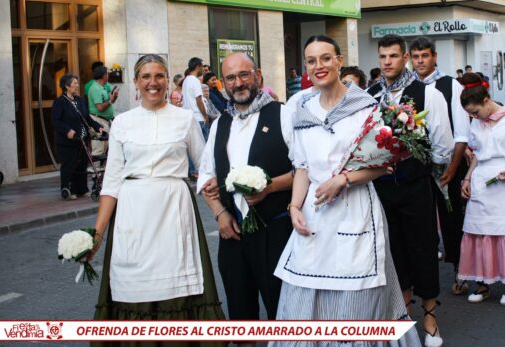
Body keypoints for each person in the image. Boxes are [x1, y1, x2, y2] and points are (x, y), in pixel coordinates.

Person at [272, 35, 422, 347]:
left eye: (326, 58)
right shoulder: (302, 110)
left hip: (355, 210)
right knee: (306, 294)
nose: (319, 66)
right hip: (314, 216)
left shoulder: (366, 107)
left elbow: (384, 165)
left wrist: (344, 179)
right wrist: (295, 207)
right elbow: (302, 167)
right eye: (311, 61)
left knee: (356, 295)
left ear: (340, 61)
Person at [88, 55, 226, 346]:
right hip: (132, 212)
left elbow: (205, 169)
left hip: (174, 210)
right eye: (146, 76)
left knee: (178, 283)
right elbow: (111, 181)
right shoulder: (122, 123)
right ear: (136, 83)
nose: (153, 82)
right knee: (133, 284)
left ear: (167, 80)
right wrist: (97, 234)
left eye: (159, 76)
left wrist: (220, 212)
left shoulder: (185, 118)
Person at [198, 53, 293, 338]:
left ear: (258, 75)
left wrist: (270, 187)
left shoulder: (282, 114)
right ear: (222, 83)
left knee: (283, 313)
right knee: (241, 318)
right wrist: (220, 213)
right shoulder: (220, 124)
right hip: (234, 235)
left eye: (244, 75)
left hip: (277, 232)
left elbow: (305, 169)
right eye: (230, 77)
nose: (238, 83)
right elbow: (205, 176)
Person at [368, 34, 453, 347]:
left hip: (415, 184)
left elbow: (442, 146)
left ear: (404, 57)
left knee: (423, 248)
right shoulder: (371, 94)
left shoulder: (427, 93)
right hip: (381, 186)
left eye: (393, 56)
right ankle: (402, 316)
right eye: (382, 57)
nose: (387, 62)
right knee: (391, 250)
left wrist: (413, 153)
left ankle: (430, 315)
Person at [458, 73, 505, 306]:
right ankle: (482, 283)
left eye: (475, 111)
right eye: (470, 114)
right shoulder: (477, 121)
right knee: (480, 233)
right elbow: (477, 155)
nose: (473, 117)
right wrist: (467, 178)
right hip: (483, 181)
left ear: (486, 100)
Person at [409, 36, 471, 296]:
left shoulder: (451, 85)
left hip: (448, 166)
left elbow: (461, 132)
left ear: (434, 57)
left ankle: (460, 270)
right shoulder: (409, 87)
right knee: (422, 223)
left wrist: (453, 169)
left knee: (452, 219)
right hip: (418, 168)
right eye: (416, 56)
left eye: (425, 56)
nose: (420, 61)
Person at [52, 74, 104, 200]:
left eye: (76, 82)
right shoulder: (60, 102)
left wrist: (97, 126)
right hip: (67, 140)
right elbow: (56, 121)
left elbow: (86, 117)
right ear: (67, 86)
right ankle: (67, 189)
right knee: (69, 164)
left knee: (82, 164)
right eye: (74, 83)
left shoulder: (79, 100)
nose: (77, 85)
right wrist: (67, 130)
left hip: (82, 138)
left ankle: (82, 189)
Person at [88, 66, 118, 157]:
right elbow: (100, 107)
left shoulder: (103, 87)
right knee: (99, 149)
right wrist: (110, 101)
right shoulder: (95, 88)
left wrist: (113, 98)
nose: (108, 75)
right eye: (107, 74)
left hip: (105, 121)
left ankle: (103, 170)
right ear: (104, 75)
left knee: (106, 147)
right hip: (98, 121)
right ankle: (97, 170)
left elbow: (108, 101)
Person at [182, 57, 209, 139]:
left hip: (190, 118)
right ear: (198, 67)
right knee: (205, 147)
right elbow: (199, 100)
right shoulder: (195, 80)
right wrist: (205, 116)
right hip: (198, 118)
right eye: (202, 67)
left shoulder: (186, 80)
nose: (203, 69)